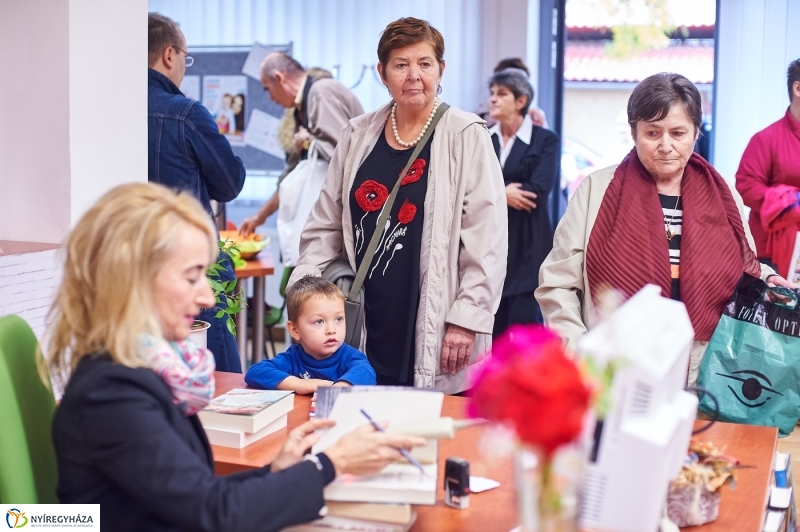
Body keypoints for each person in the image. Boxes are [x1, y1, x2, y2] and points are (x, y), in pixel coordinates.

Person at [47, 182, 425, 532]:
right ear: (134, 279)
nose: (207, 298)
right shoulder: (113, 393)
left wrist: (278, 471)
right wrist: (330, 464)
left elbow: (198, 494)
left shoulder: (128, 372)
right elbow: (215, 512)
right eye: (192, 276)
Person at [289, 17, 507, 394]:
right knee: (363, 424)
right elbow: (324, 225)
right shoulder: (357, 134)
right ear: (382, 72)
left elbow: (486, 240)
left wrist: (467, 318)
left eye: (424, 63)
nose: (414, 76)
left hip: (437, 319)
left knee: (431, 439)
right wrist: (303, 296)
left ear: (441, 69)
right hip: (363, 316)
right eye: (401, 64)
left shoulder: (466, 134)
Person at [536, 72, 795, 387]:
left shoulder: (721, 193)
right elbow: (557, 284)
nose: (666, 146)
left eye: (678, 132)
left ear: (695, 133)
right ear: (634, 132)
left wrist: (768, 280)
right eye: (653, 132)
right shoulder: (597, 189)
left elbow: (744, 264)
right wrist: (577, 351)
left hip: (706, 370)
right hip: (612, 369)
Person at [147, 12, 245, 372]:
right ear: (169, 55)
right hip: (191, 257)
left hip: (134, 260)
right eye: (185, 59)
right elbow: (229, 183)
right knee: (214, 358)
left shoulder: (109, 110)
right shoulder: (185, 113)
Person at [239, 59, 363, 237]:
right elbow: (294, 175)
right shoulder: (301, 108)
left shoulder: (321, 92)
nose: (270, 98)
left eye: (268, 89)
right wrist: (259, 217)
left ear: (279, 78)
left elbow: (343, 155)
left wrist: (307, 142)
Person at [488, 68, 559, 335]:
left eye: (502, 94)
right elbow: (469, 188)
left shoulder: (545, 140)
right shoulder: (483, 136)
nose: (493, 99)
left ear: (521, 101)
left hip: (528, 248)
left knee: (523, 332)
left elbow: (536, 192)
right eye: (492, 93)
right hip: (491, 246)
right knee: (491, 338)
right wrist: (502, 193)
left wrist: (491, 193)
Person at [245, 276, 376, 394]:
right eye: (319, 321)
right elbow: (255, 372)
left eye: (338, 319)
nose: (331, 330)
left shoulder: (349, 356)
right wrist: (298, 384)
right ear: (295, 330)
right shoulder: (292, 357)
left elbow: (367, 372)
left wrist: (341, 388)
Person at [736, 58, 800, 279]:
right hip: (771, 250)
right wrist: (792, 201)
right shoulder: (766, 139)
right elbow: (745, 186)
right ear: (797, 87)